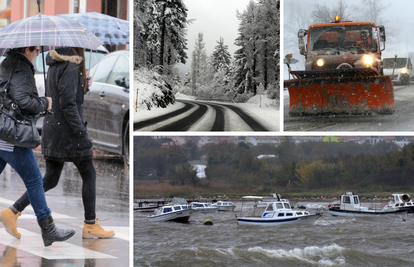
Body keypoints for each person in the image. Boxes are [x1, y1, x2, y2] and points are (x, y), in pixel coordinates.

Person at [3, 47, 114, 240]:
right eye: (36, 50)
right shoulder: (70, 66)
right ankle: (87, 225)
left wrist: (83, 85)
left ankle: (14, 212)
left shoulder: (54, 64)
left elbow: (61, 95)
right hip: (66, 132)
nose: (38, 53)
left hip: (52, 129)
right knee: (87, 173)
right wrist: (81, 132)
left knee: (49, 178)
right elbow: (67, 103)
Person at [0, 46, 75, 246]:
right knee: (34, 179)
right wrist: (44, 103)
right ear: (27, 50)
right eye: (37, 51)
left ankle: (46, 228)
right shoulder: (21, 67)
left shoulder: (8, 63)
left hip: (3, 131)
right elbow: (23, 101)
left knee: (33, 179)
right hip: (11, 136)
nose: (38, 54)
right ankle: (48, 229)